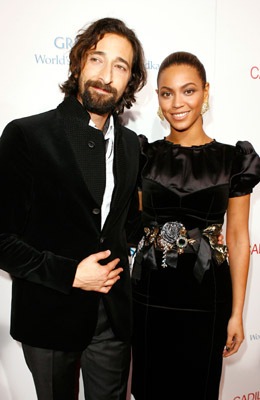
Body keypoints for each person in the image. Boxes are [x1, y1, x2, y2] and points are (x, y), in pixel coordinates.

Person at [0, 18, 147, 400]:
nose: (106, 74)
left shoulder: (132, 146)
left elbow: (124, 223)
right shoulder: (26, 136)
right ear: (78, 63)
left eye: (120, 66)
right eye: (97, 59)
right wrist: (70, 274)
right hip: (48, 317)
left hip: (112, 320)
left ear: (130, 80)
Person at [131, 51, 260, 400]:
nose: (177, 103)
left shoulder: (233, 159)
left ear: (205, 92)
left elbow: (236, 236)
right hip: (149, 294)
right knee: (149, 389)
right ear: (157, 98)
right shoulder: (143, 155)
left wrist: (237, 314)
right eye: (166, 92)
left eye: (188, 91)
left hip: (207, 295)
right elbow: (132, 224)